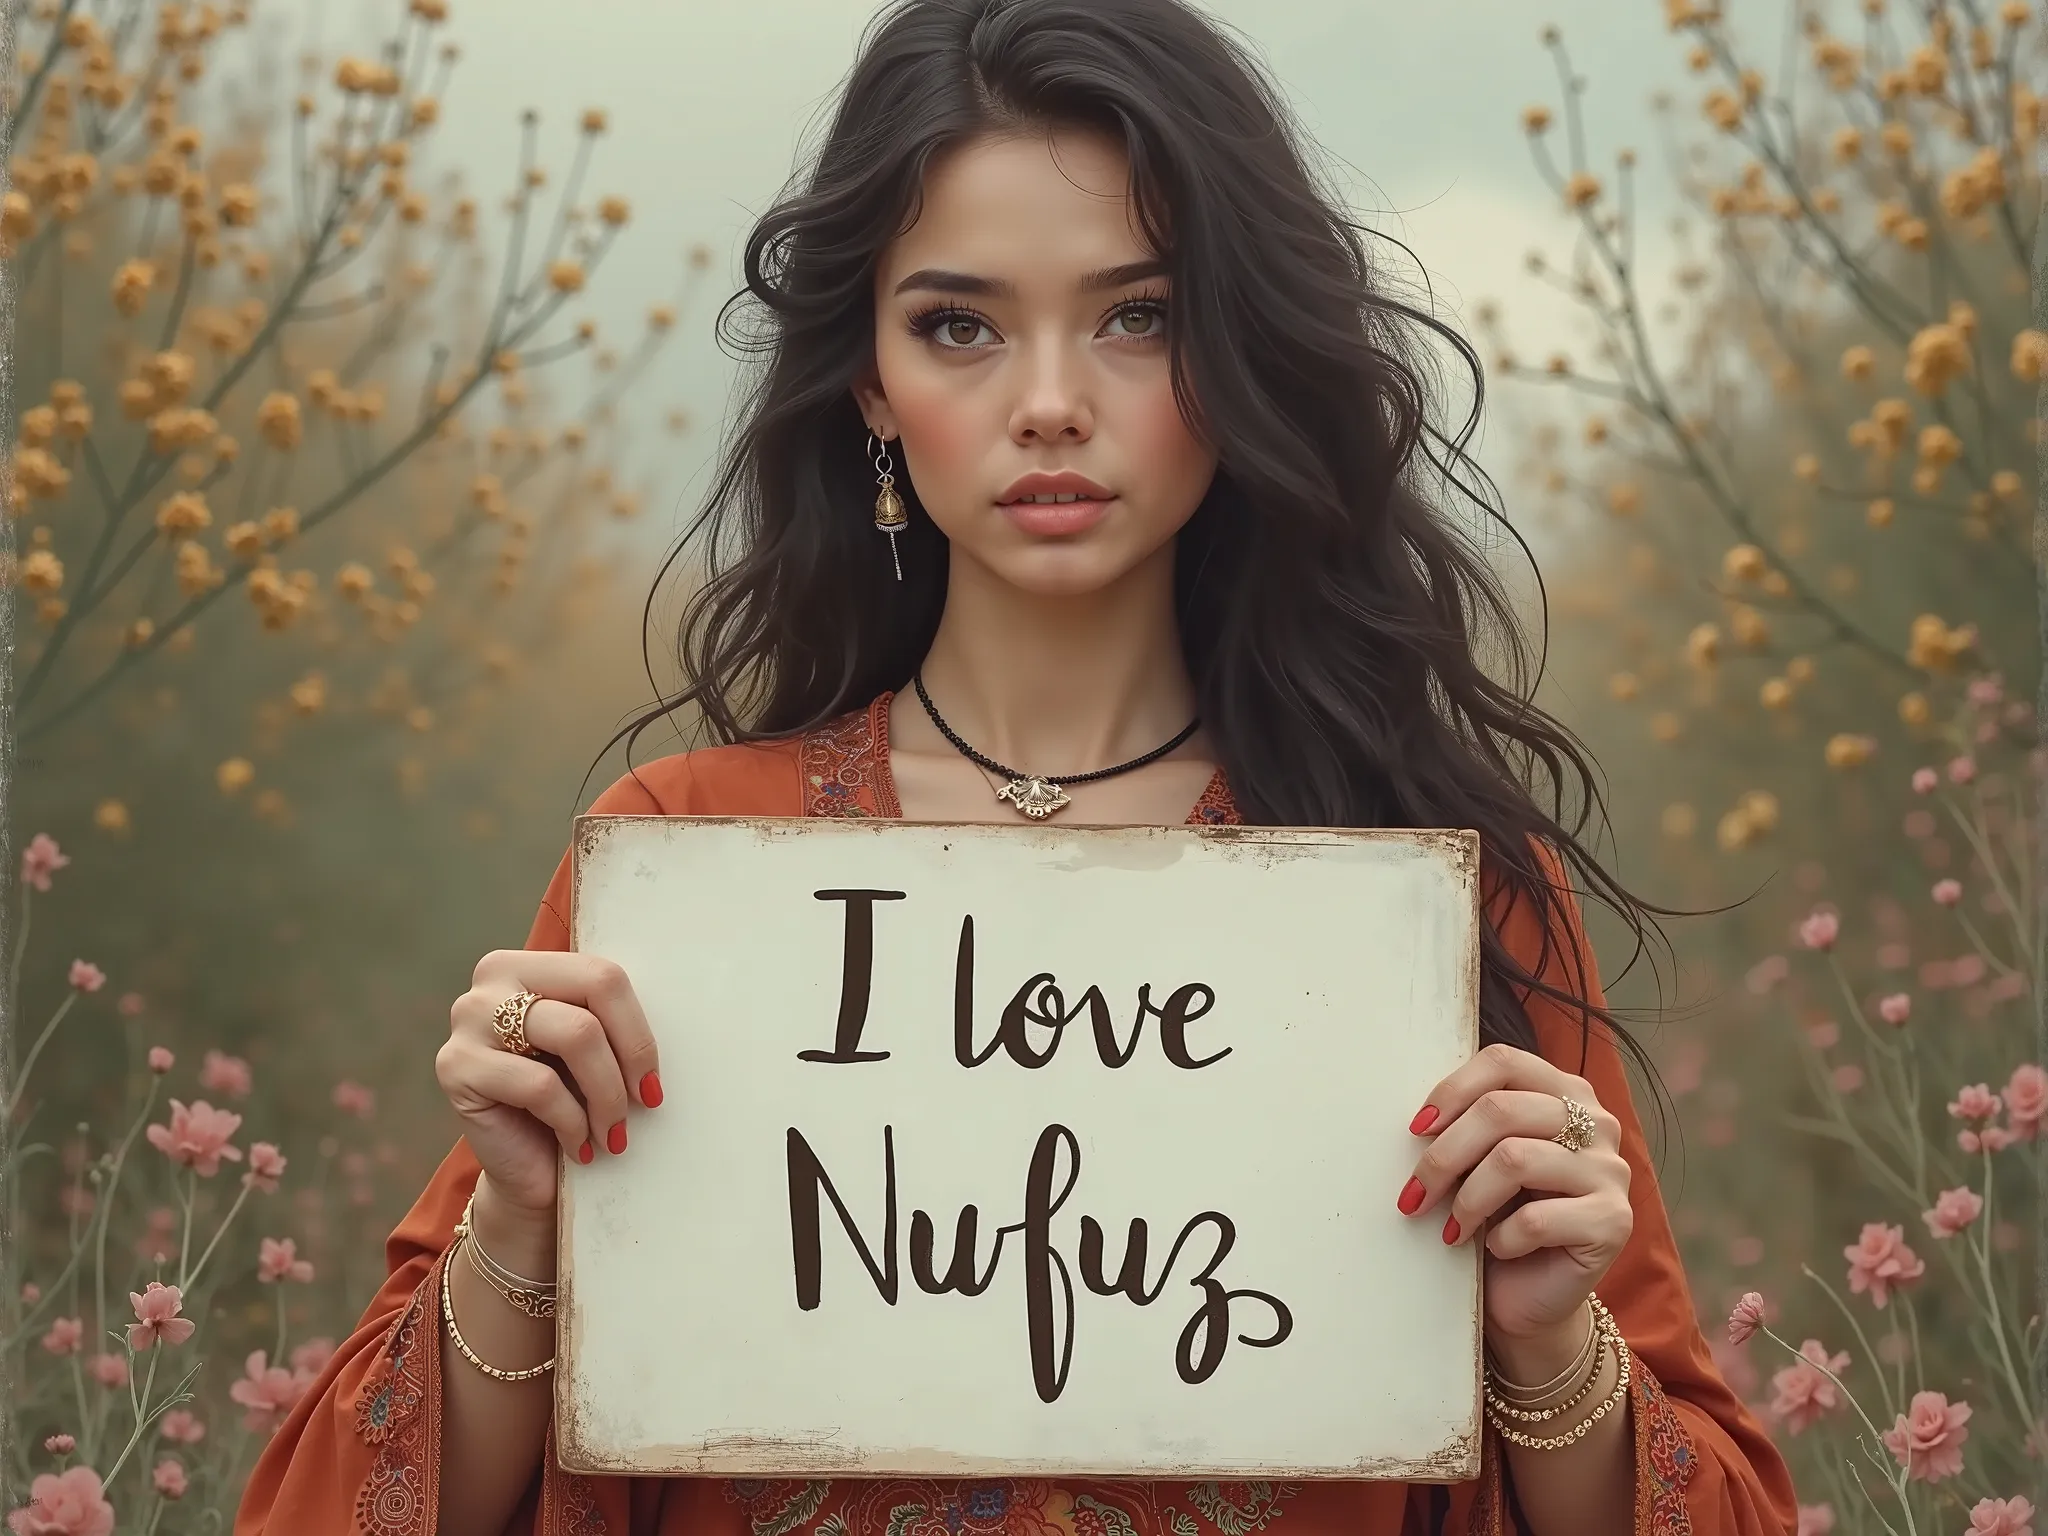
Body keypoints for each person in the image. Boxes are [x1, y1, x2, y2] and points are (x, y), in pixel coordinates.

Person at [234, 0, 1801, 1532]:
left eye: (1139, 316)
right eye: (959, 326)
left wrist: (1547, 1344)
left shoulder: (1428, 905)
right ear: (868, 381)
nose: (1049, 403)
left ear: (1236, 347)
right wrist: (522, 1224)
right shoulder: (692, 867)